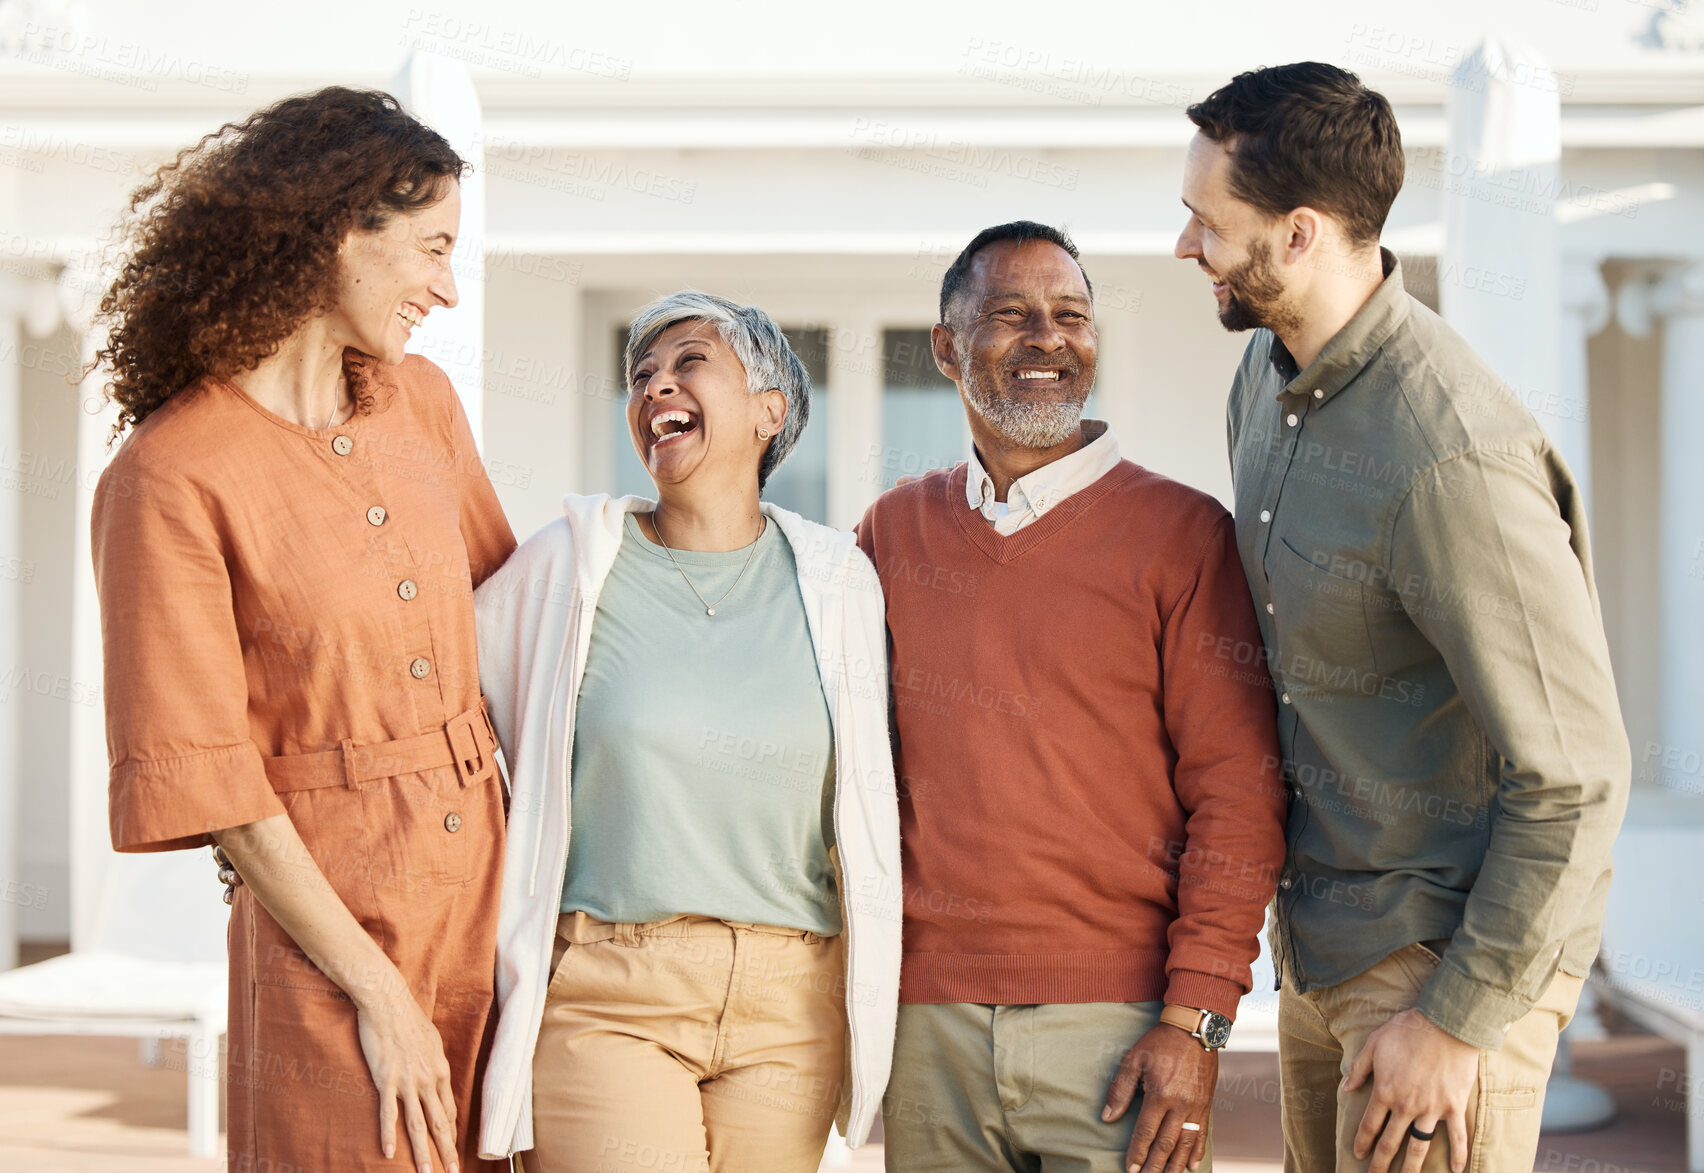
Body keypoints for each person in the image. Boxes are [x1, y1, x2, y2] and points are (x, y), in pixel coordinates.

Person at [1174, 63, 1631, 1173]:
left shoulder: (1450, 456)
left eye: (1207, 222)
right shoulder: (1263, 376)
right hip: (1323, 949)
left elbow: (1577, 772)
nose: (1185, 247)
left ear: (1299, 235)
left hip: (1440, 965)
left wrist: (1458, 1018)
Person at [91, 87, 515, 1173]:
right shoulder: (169, 475)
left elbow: (516, 624)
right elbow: (212, 777)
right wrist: (379, 996)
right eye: (429, 249)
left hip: (496, 902)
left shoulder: (423, 408)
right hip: (332, 937)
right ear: (339, 230)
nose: (446, 288)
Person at [856, 221, 1287, 1173]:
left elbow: (1241, 795)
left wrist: (1199, 1023)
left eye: (1072, 316)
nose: (1049, 338)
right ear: (946, 348)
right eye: (1012, 315)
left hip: (1127, 1023)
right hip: (929, 1025)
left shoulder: (1183, 534)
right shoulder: (892, 532)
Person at [471, 291, 901, 1173]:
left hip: (792, 1004)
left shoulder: (838, 579)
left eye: (688, 362)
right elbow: (431, 695)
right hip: (612, 992)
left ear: (770, 411)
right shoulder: (571, 563)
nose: (655, 386)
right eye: (640, 376)